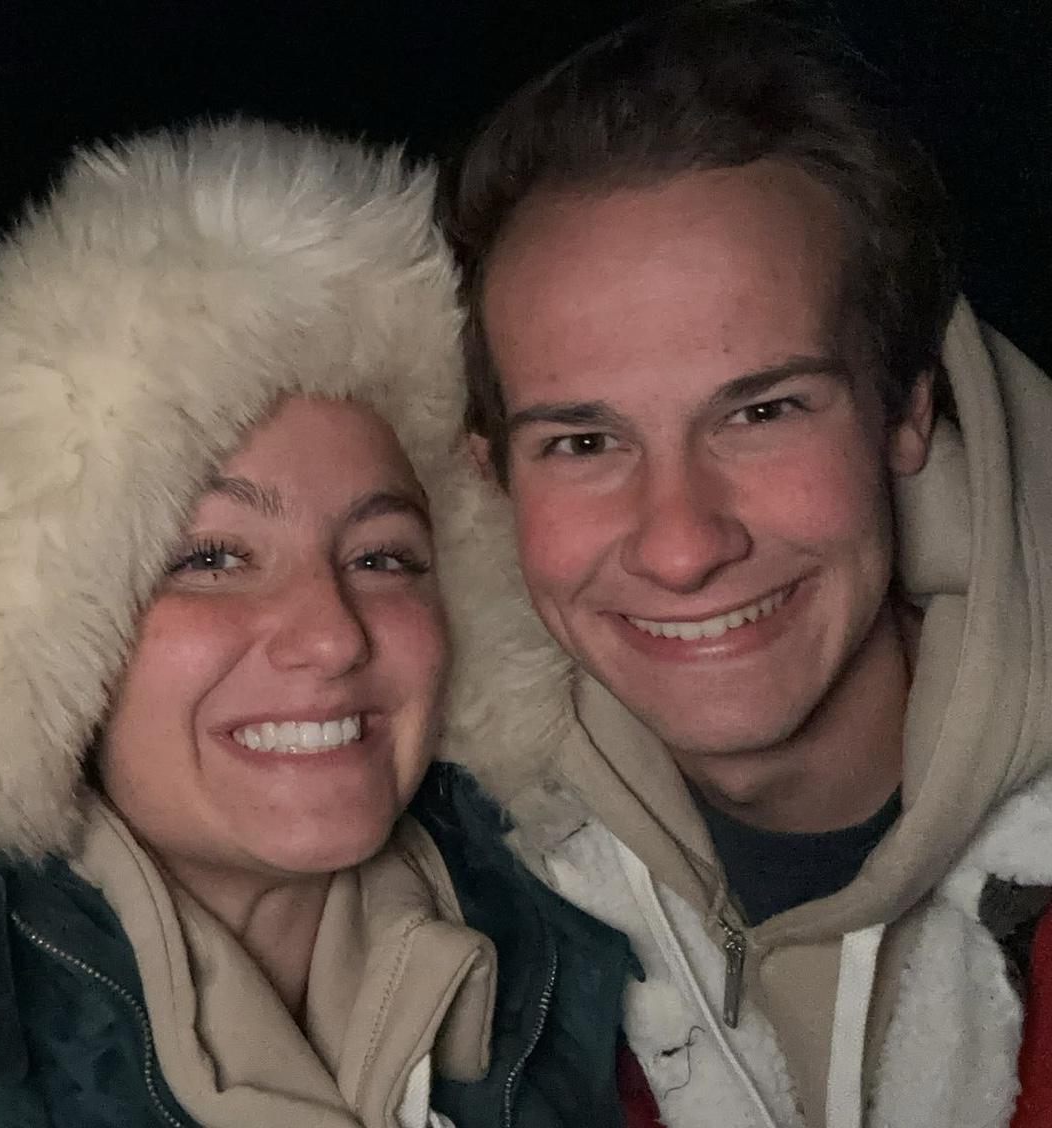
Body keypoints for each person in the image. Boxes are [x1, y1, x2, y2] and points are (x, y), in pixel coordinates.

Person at [423, 3, 1052, 1127]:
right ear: (495, 477)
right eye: (583, 443)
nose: (681, 546)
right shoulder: (460, 923)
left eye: (762, 412)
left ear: (906, 413)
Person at [0, 121, 502, 1128]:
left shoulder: (596, 964)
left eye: (382, 557)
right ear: (40, 625)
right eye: (211, 559)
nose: (332, 637)